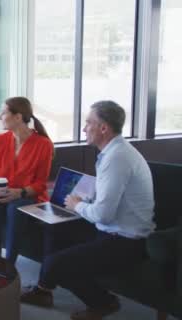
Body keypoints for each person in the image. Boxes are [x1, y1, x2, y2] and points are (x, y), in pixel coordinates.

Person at [20, 101, 155, 320]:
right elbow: (108, 201)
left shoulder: (117, 158)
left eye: (88, 123)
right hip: (109, 229)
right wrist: (86, 200)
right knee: (52, 228)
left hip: (124, 241)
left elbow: (103, 215)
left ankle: (103, 302)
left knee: (57, 264)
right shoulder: (113, 152)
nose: (84, 128)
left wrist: (77, 205)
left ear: (104, 128)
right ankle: (43, 291)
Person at [0, 97, 53, 264]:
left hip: (28, 195)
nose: (0, 116)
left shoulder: (43, 144)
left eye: (4, 112)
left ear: (18, 117)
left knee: (16, 208)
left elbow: (41, 184)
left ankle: (9, 265)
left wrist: (19, 192)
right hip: (3, 193)